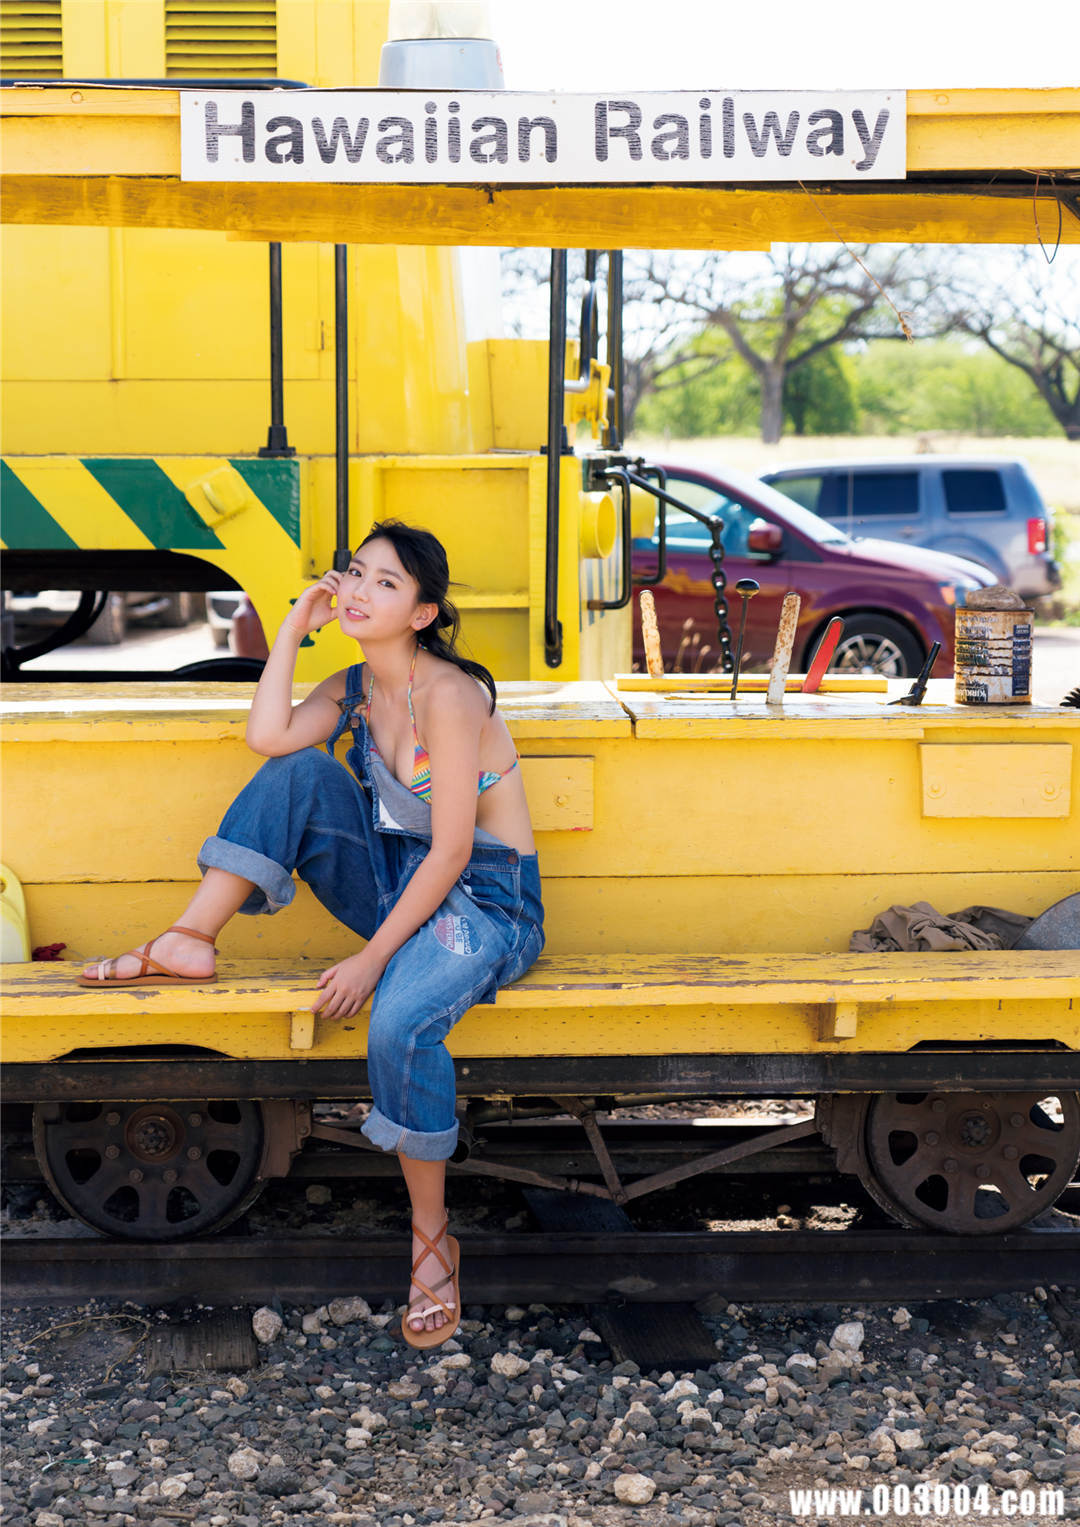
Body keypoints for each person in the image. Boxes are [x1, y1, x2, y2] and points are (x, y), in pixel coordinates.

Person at [79, 521, 545, 1350]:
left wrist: (371, 958)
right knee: (298, 771)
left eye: (387, 584)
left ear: (425, 611)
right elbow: (269, 737)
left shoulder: (451, 696)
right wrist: (293, 626)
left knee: (399, 1023)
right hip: (404, 886)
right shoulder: (354, 685)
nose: (360, 592)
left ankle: (432, 1242)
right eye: (355, 575)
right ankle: (191, 936)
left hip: (484, 902)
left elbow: (453, 850)